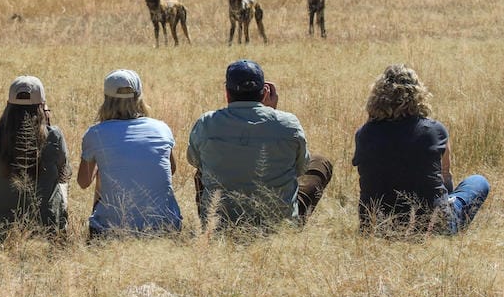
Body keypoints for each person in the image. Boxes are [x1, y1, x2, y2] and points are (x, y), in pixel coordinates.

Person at [187, 59, 332, 231]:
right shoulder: (288, 123)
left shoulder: (206, 123)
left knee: (201, 170)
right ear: (264, 93)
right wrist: (272, 113)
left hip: (220, 222)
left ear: (227, 92)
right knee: (321, 162)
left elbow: (194, 160)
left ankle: (210, 225)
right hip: (279, 224)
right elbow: (300, 168)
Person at [352, 64, 489, 235]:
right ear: (419, 95)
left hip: (375, 226)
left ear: (377, 97)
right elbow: (445, 176)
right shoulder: (435, 131)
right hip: (431, 225)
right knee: (478, 181)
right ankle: (448, 226)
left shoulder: (364, 134)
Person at [77, 69, 182, 236]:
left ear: (106, 99)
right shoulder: (161, 128)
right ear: (139, 97)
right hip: (165, 227)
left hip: (111, 231)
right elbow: (172, 169)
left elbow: (83, 182)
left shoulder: (95, 133)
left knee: (102, 173)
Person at [0, 76, 71, 235]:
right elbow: (64, 173)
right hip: (46, 227)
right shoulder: (53, 135)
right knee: (63, 186)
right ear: (42, 106)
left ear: (8, 105)